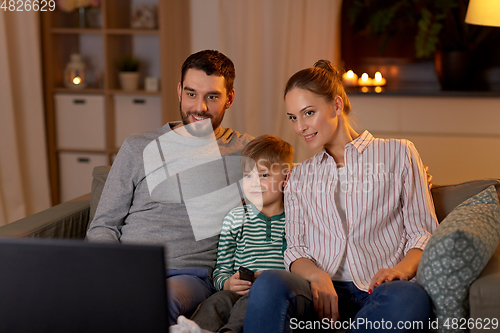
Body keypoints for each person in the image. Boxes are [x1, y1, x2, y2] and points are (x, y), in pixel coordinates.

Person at [243, 60, 439, 333]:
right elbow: (296, 250)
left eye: (308, 113)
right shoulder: (298, 176)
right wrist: (317, 276)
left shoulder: (400, 154)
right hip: (318, 295)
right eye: (293, 117)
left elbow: (423, 232)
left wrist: (402, 271)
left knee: (411, 298)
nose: (299, 127)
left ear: (336, 105)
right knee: (269, 283)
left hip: (380, 291)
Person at [86, 50, 253, 325]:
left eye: (212, 97)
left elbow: (290, 182)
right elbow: (103, 224)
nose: (199, 107)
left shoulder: (246, 151)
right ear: (179, 91)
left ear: (230, 98)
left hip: (187, 276)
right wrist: (116, 266)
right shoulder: (137, 146)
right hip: (129, 267)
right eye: (191, 94)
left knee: (154, 301)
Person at [170, 135, 294, 333]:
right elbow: (221, 270)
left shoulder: (295, 220)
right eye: (248, 175)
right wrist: (227, 283)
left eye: (264, 175)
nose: (254, 183)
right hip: (236, 291)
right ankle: (195, 330)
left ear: (286, 178)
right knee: (216, 302)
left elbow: (300, 268)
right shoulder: (235, 218)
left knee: (249, 304)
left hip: (274, 296)